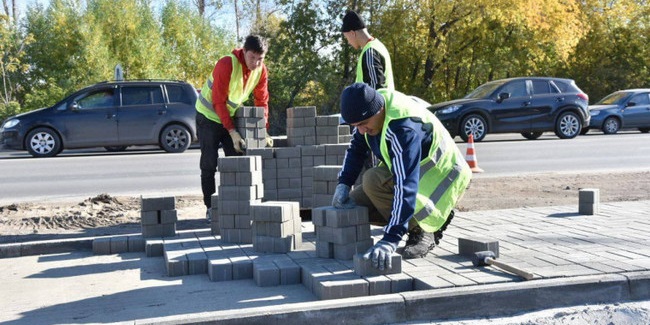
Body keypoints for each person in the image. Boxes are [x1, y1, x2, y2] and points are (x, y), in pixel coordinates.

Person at [332, 83, 471, 270]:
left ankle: (423, 229)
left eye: (363, 124)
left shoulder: (402, 128)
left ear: (379, 110)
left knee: (372, 180)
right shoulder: (369, 110)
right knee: (355, 204)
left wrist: (391, 238)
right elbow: (357, 149)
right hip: (414, 173)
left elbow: (405, 184)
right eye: (356, 126)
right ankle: (408, 221)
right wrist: (344, 184)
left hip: (443, 177)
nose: (362, 130)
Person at [195, 34, 272, 221]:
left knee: (237, 161)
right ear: (244, 51)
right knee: (209, 164)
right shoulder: (227, 64)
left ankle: (236, 206)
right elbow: (218, 102)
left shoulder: (261, 70)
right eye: (252, 57)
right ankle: (210, 208)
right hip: (208, 117)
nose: (255, 62)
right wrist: (232, 131)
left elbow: (262, 101)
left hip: (228, 116)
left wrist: (264, 129)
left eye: (260, 59)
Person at [341, 10, 394, 90]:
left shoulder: (370, 52)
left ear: (352, 33)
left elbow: (375, 92)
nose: (348, 42)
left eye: (346, 37)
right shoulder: (378, 46)